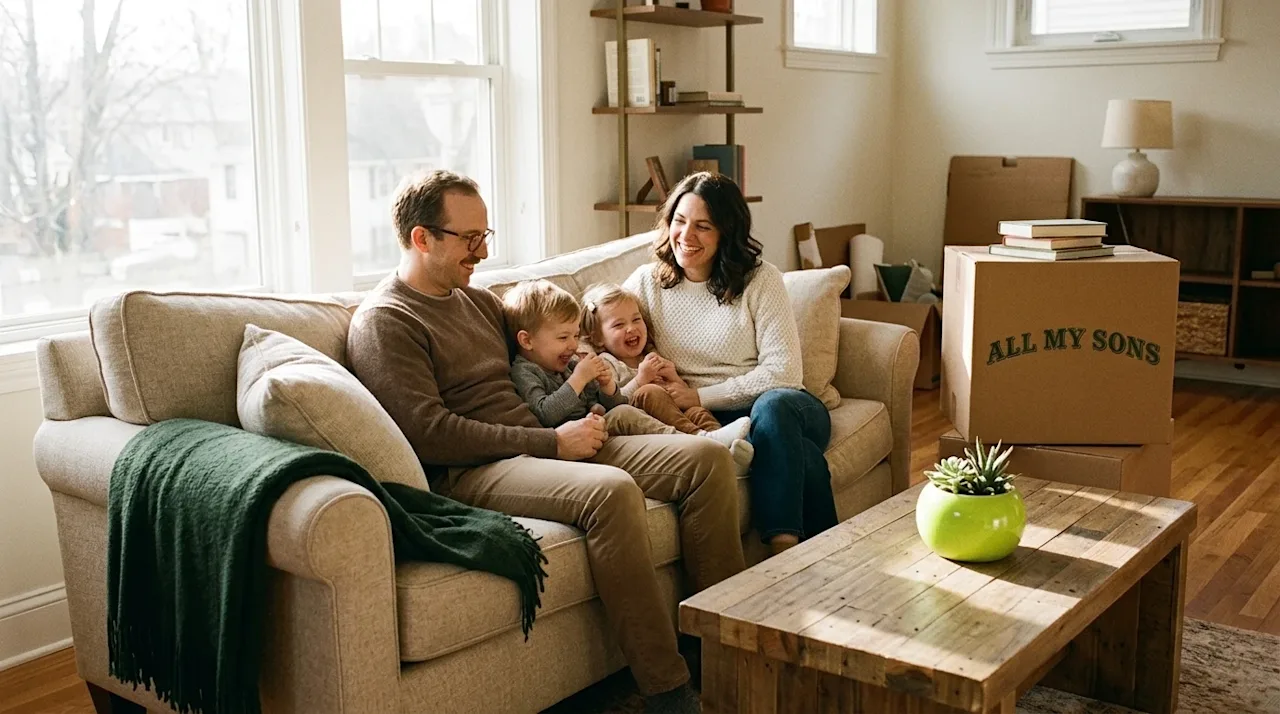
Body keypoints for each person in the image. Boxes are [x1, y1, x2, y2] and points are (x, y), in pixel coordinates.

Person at [346, 170, 745, 713]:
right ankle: (667, 689)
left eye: (486, 236)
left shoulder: (479, 302)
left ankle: (725, 653)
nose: (483, 252)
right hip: (479, 467)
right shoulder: (387, 321)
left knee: (705, 459)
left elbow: (545, 354)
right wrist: (551, 443)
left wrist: (591, 384)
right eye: (470, 239)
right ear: (422, 238)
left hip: (545, 439)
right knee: (610, 493)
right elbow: (430, 433)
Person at [625, 171, 838, 556]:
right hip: (713, 424)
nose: (686, 237)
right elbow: (602, 328)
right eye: (679, 221)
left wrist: (698, 395)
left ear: (727, 231)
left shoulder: (761, 280)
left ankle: (781, 555)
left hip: (788, 407)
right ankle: (827, 560)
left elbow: (784, 374)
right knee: (803, 458)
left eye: (703, 226)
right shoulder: (646, 283)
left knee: (772, 407)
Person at [503, 279, 754, 466]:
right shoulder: (526, 371)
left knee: (686, 408)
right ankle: (702, 442)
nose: (572, 345)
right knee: (630, 408)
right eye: (563, 337)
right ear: (527, 341)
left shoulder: (567, 364)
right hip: (576, 440)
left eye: (575, 336)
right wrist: (580, 380)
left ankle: (723, 444)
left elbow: (608, 403)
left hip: (598, 425)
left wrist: (605, 388)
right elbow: (545, 414)